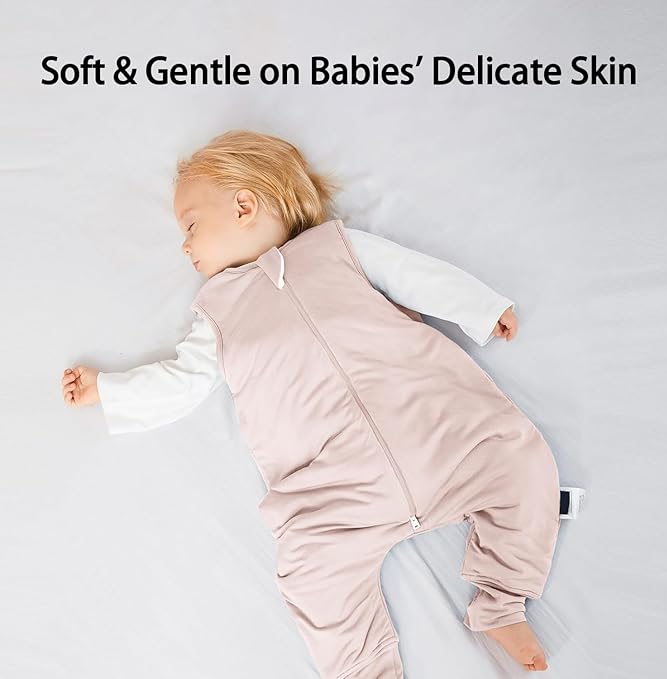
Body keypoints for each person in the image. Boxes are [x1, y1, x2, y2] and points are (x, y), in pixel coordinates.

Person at [62, 129, 560, 676]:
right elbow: (182, 381)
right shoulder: (219, 314)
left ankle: (502, 603)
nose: (184, 247)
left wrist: (479, 307)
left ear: (244, 205)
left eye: (191, 225)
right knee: (311, 574)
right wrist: (110, 390)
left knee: (521, 461)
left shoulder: (339, 249)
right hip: (332, 492)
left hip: (440, 438)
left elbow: (413, 275)